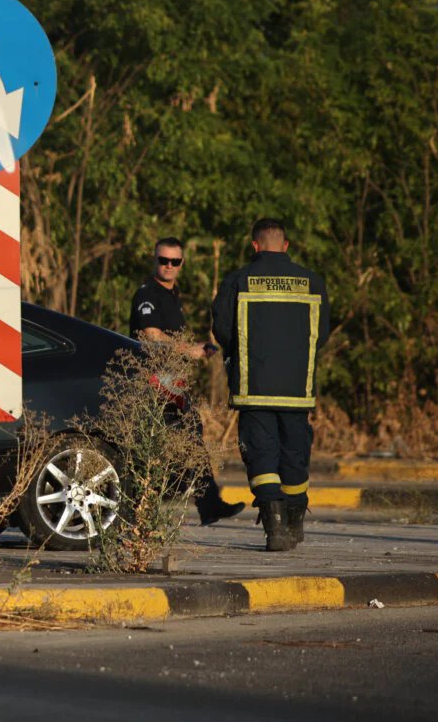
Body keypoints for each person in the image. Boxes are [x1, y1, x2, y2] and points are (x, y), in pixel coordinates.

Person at [211, 218, 330, 551]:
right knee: (295, 454)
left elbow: (222, 327)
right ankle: (295, 520)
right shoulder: (312, 281)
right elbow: (322, 333)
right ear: (287, 245)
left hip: (254, 386)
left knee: (262, 455)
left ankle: (274, 529)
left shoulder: (238, 279)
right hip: (297, 388)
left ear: (255, 246)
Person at [129, 236, 245, 526]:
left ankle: (208, 505)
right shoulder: (147, 294)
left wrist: (199, 348)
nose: (168, 266)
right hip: (155, 381)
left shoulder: (171, 295)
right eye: (163, 260)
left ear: (182, 264)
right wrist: (188, 349)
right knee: (164, 445)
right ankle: (141, 511)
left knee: (190, 436)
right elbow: (150, 335)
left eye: (174, 261)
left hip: (172, 381)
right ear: (154, 260)